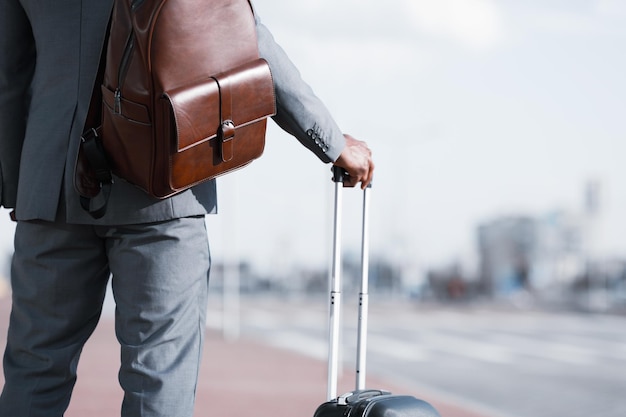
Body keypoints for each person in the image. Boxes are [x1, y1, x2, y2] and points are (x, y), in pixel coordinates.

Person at [0, 1, 374, 416]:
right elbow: (245, 35)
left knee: (34, 374)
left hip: (51, 189)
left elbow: (8, 74)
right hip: (162, 187)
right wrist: (331, 142)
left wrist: (25, 191)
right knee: (157, 382)